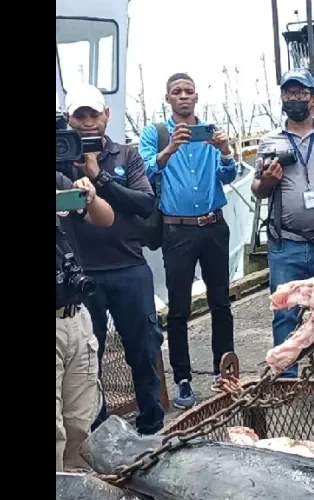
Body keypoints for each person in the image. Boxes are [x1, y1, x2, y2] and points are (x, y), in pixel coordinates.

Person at [63, 84, 166, 435]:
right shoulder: (60, 159)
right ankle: (101, 431)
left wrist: (99, 177)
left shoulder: (127, 155)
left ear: (106, 116)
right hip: (81, 274)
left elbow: (143, 203)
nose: (88, 122)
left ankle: (152, 426)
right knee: (90, 361)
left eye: (94, 114)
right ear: (67, 119)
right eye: (80, 115)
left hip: (129, 268)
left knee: (143, 350)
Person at [138, 73, 237, 409]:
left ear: (197, 97)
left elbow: (229, 176)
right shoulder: (156, 133)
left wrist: (225, 152)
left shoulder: (210, 132)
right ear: (168, 98)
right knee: (178, 307)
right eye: (176, 92)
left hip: (213, 226)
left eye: (188, 92)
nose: (183, 97)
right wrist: (169, 149)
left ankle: (224, 372)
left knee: (221, 302)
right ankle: (183, 379)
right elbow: (146, 171)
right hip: (177, 229)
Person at [251, 68, 314, 378]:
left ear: (312, 97)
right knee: (285, 310)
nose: (294, 99)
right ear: (282, 97)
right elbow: (257, 191)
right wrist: (266, 181)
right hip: (288, 243)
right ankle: (286, 372)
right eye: (289, 93)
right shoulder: (270, 141)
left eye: (300, 93)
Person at [56, 170, 114, 471]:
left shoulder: (59, 181)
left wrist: (90, 197)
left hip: (75, 316)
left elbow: (105, 220)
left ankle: (77, 486)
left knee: (80, 421)